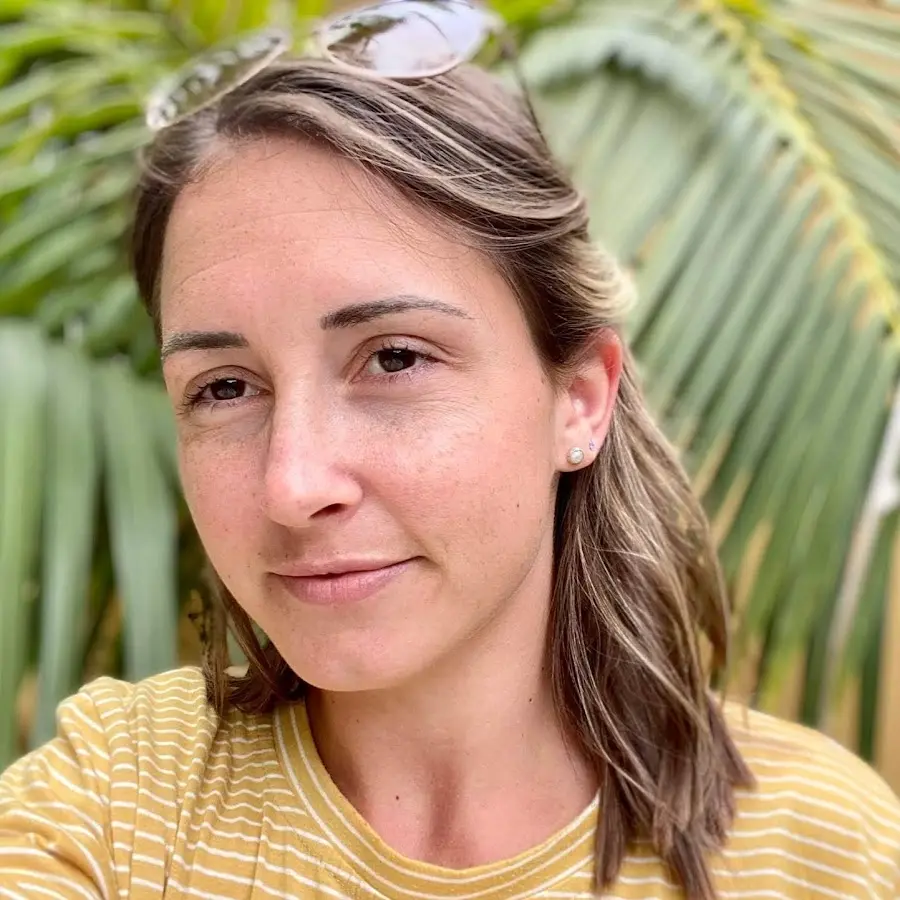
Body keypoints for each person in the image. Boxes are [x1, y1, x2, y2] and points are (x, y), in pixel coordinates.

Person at [2, 2, 899, 898]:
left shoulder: (820, 851)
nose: (292, 483)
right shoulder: (110, 809)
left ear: (579, 399)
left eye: (394, 359)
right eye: (225, 387)